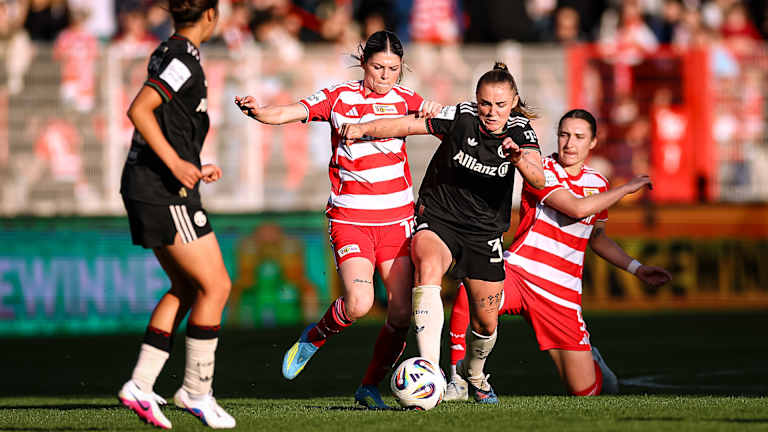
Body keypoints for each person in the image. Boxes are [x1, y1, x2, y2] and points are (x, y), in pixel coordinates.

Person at [234, 30, 441, 410]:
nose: (385, 76)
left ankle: (369, 387)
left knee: (400, 314)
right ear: (363, 63)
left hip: (397, 221)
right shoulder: (338, 97)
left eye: (393, 69)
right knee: (359, 303)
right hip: (351, 218)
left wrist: (436, 110)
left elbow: (447, 124)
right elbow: (288, 112)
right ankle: (315, 336)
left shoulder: (407, 100)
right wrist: (258, 112)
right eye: (378, 67)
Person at [341, 62, 546, 404]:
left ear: (513, 103)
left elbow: (538, 179)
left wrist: (518, 159)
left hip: (484, 232)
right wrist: (363, 128)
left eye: (499, 105)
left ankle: (474, 375)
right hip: (440, 218)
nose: (491, 112)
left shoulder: (521, 132)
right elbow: (407, 124)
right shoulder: (461, 116)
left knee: (486, 322)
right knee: (428, 266)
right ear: (476, 100)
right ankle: (431, 371)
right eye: (484, 103)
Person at [442, 109, 673, 401]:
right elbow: (576, 208)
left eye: (579, 137)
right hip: (519, 273)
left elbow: (597, 238)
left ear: (593, 142)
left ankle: (593, 361)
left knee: (586, 392)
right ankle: (459, 380)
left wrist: (637, 268)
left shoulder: (598, 183)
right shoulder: (541, 168)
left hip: (561, 294)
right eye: (564, 135)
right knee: (471, 292)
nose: (569, 143)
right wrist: (626, 188)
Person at [117, 0, 236, 428]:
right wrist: (175, 164)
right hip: (163, 191)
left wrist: (192, 164)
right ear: (211, 15)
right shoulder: (183, 59)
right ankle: (196, 391)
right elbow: (139, 109)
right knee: (216, 286)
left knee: (187, 286)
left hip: (154, 185)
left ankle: (141, 384)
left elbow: (168, 121)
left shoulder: (171, 51)